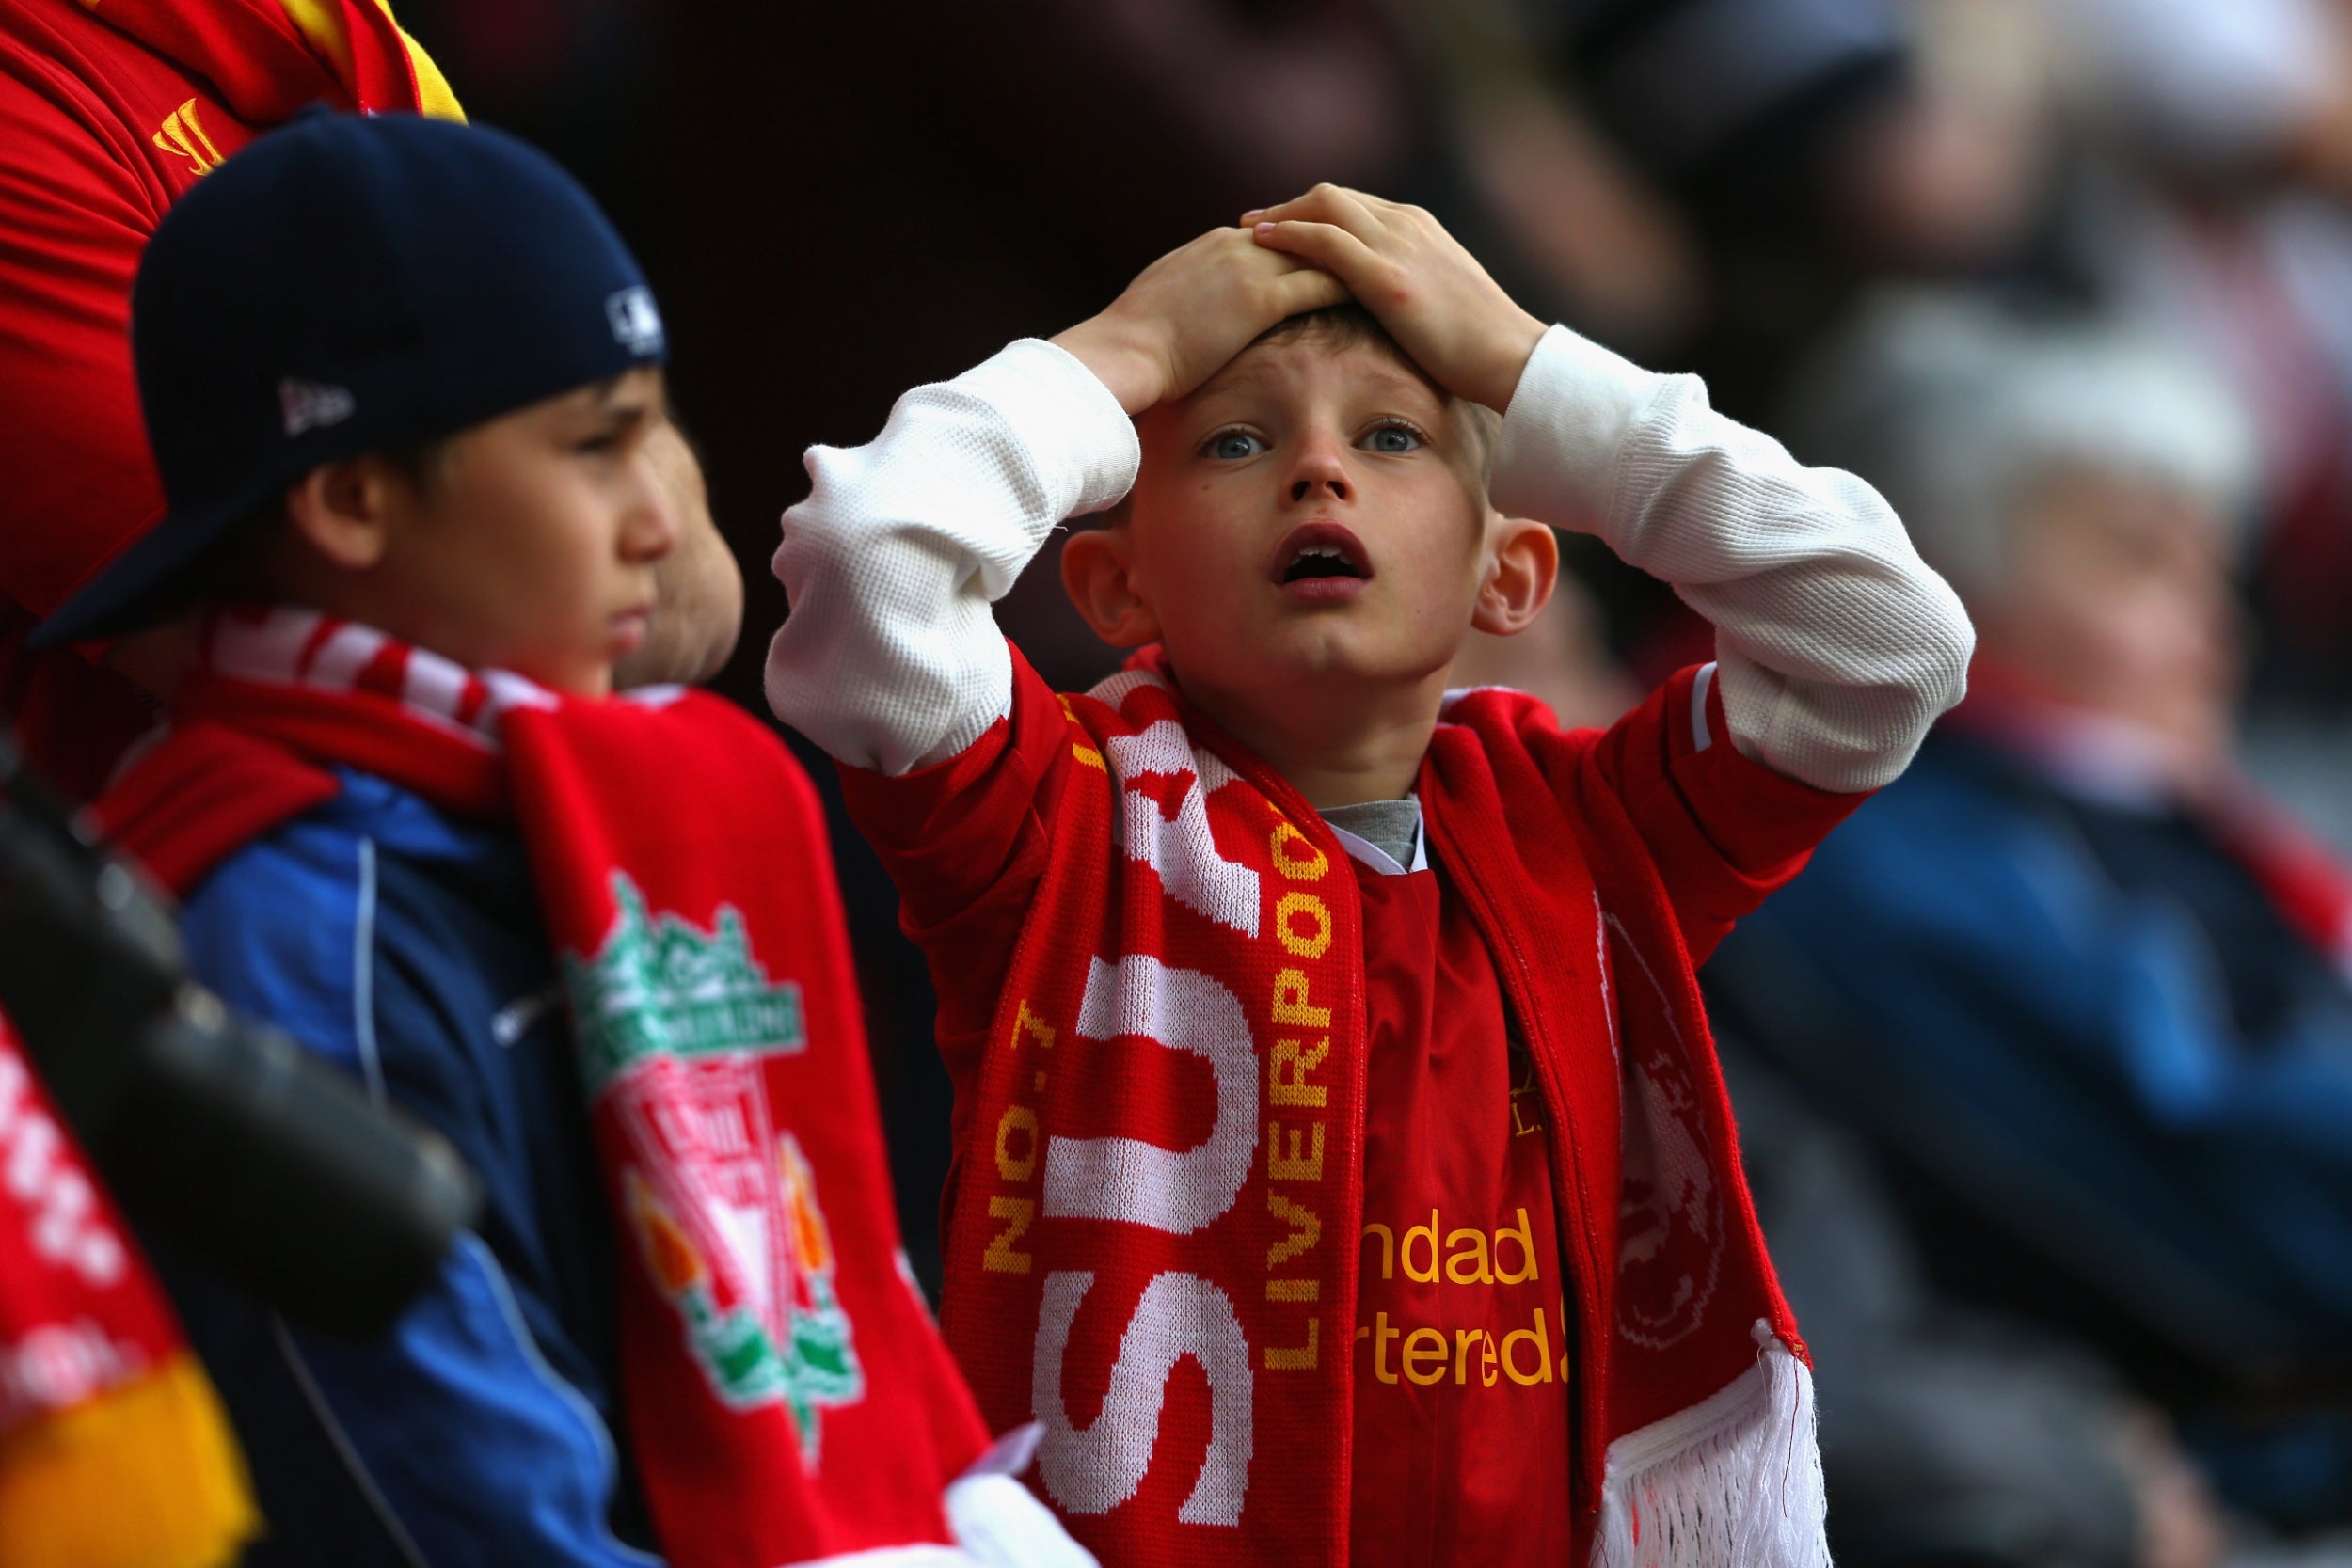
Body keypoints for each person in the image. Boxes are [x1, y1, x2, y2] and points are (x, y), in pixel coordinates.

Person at [764, 184, 1975, 1565]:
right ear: (1117, 589)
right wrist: (1126, 350)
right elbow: (869, 570)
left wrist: (1530, 363)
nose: (1318, 471)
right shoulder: (1054, 819)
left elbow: (1892, 644)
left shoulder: (1583, 830)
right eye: (1233, 440)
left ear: (1511, 574)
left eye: (1391, 435)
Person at [43, 110, 1089, 1567]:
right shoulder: (273, 925)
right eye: (598, 444)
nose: (663, 515)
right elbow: (455, 1507)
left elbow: (836, 1329)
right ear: (350, 499)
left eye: (661, 427)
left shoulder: (613, 812)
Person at [1716, 292, 2352, 1537]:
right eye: (2137, 558)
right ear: (1949, 586)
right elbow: (2227, 1145)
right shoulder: (1902, 851)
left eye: (2211, 561)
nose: (2214, 625)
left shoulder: (2140, 800)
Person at [0, 0, 741, 806]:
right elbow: (365, 641)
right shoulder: (30, 93)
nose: (650, 523)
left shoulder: (347, 34)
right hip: (191, 895)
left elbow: (694, 590)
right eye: (594, 450)